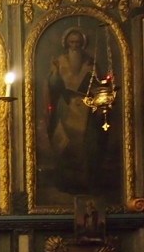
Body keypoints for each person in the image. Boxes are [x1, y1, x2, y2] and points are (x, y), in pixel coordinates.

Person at [46, 26, 108, 194]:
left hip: (85, 108)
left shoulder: (90, 62)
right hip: (65, 107)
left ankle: (84, 181)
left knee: (86, 145)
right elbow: (53, 86)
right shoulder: (59, 61)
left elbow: (99, 84)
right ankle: (67, 181)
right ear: (67, 43)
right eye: (72, 42)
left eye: (78, 43)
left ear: (82, 44)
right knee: (64, 143)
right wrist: (55, 75)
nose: (74, 46)